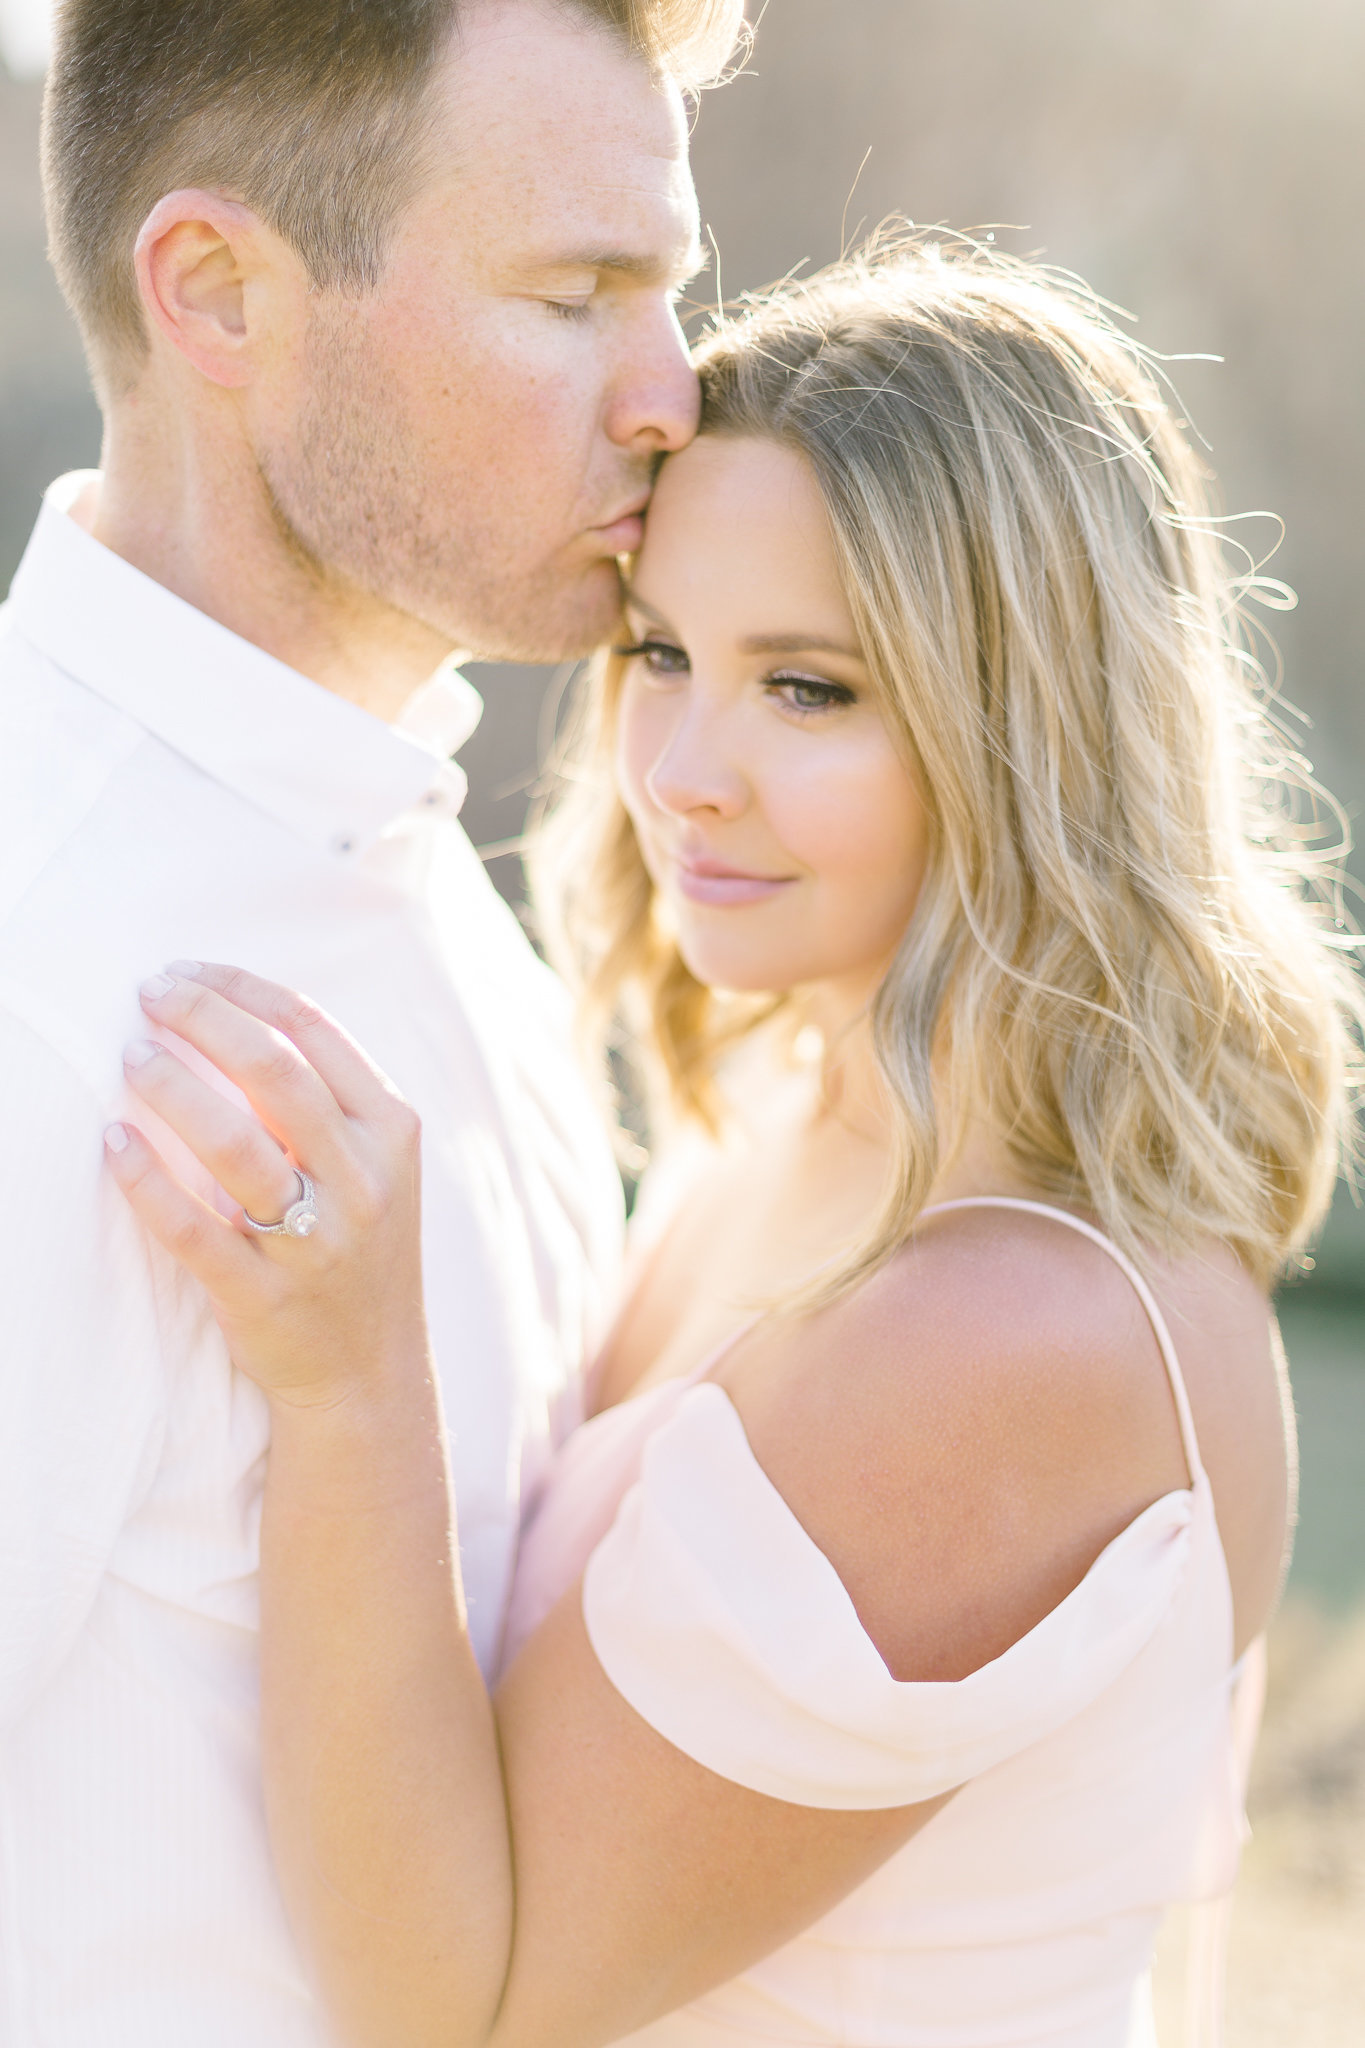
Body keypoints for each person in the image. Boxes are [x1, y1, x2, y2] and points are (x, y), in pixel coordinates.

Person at [107, 238, 1362, 2048]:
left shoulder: (1006, 1332)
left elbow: (455, 2005)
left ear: (1027, 734)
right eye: (662, 652)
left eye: (808, 687)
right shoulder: (784, 1120)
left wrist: (349, 1386)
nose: (684, 764)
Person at [0, 0, 745, 2040]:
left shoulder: (422, 879)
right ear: (221, 294)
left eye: (664, 293)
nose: (672, 391)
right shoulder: (41, 982)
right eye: (574, 294)